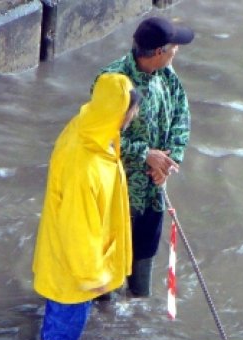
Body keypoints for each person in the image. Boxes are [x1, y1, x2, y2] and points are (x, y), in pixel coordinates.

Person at [32, 73, 140, 340]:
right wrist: (93, 277)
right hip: (75, 271)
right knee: (61, 334)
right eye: (132, 109)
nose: (135, 114)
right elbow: (77, 229)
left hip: (69, 259)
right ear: (119, 112)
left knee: (59, 315)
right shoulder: (86, 166)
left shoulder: (87, 128)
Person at [95, 16, 194, 298]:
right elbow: (98, 137)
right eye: (174, 46)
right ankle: (104, 312)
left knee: (146, 254)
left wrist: (168, 162)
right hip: (119, 192)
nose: (177, 50)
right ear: (160, 51)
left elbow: (181, 117)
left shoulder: (168, 75)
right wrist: (144, 154)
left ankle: (137, 311)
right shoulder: (112, 81)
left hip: (153, 189)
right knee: (108, 263)